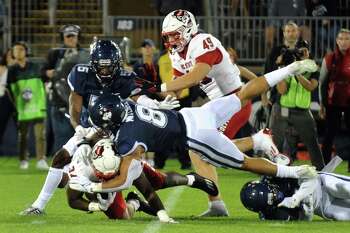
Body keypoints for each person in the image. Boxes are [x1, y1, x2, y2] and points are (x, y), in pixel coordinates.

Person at [69, 56, 320, 197]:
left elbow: (124, 180)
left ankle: (298, 173)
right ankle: (289, 69)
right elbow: (138, 100)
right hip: (195, 114)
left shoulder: (128, 138)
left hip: (197, 136)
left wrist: (92, 186)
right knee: (242, 95)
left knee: (244, 162)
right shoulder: (130, 107)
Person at [19, 39, 180, 215]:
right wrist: (78, 127)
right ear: (93, 64)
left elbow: (137, 97)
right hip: (91, 125)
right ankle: (38, 205)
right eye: (102, 66)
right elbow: (75, 106)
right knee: (60, 158)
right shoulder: (81, 74)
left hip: (118, 127)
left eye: (109, 66)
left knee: (137, 176)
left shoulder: (123, 76)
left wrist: (155, 105)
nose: (106, 71)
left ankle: (148, 192)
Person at [64, 138, 218, 222]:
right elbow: (72, 201)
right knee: (120, 217)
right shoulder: (80, 169)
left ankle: (191, 179)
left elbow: (149, 192)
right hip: (99, 185)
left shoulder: (129, 162)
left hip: (127, 171)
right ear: (93, 163)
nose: (109, 176)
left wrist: (162, 213)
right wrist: (94, 206)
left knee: (159, 182)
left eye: (113, 172)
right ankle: (135, 203)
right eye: (104, 173)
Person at [269, 40, 325, 170]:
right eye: (299, 51)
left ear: (309, 52)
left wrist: (297, 73)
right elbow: (282, 90)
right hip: (283, 109)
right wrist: (282, 69)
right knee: (275, 142)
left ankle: (321, 171)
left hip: (302, 111)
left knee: (312, 142)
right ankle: (269, 169)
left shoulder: (313, 68)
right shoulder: (287, 67)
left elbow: (311, 87)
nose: (302, 53)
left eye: (304, 50)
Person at [241, 165, 350, 221]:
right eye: (271, 202)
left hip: (322, 185)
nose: (276, 197)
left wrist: (298, 196)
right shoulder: (270, 214)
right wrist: (307, 210)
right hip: (321, 207)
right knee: (342, 216)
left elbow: (310, 173)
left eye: (272, 193)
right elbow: (303, 220)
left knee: (344, 188)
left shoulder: (275, 175)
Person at [41, 24, 87, 154]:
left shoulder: (85, 54)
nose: (71, 39)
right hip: (59, 102)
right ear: (63, 38)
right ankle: (61, 168)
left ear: (78, 38)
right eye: (68, 36)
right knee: (62, 137)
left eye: (74, 36)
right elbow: (42, 72)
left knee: (82, 136)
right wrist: (47, 73)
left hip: (80, 102)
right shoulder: (54, 53)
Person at [7, 42, 49, 170]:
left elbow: (44, 84)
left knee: (40, 135)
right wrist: (15, 105)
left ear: (25, 51)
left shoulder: (36, 67)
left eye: (20, 50)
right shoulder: (12, 71)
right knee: (23, 136)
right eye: (15, 50)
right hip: (22, 108)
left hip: (37, 107)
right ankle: (23, 160)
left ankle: (41, 159)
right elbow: (10, 90)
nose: (17, 52)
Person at [319, 29, 350, 171]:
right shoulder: (329, 58)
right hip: (333, 103)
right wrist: (322, 104)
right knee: (329, 135)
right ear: (337, 41)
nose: (344, 41)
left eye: (347, 39)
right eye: (341, 39)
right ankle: (325, 165)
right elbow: (322, 83)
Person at [0, 49, 16, 150]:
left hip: (17, 98)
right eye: (9, 55)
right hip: (3, 98)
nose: (10, 57)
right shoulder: (2, 68)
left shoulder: (18, 68)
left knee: (22, 125)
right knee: (1, 124)